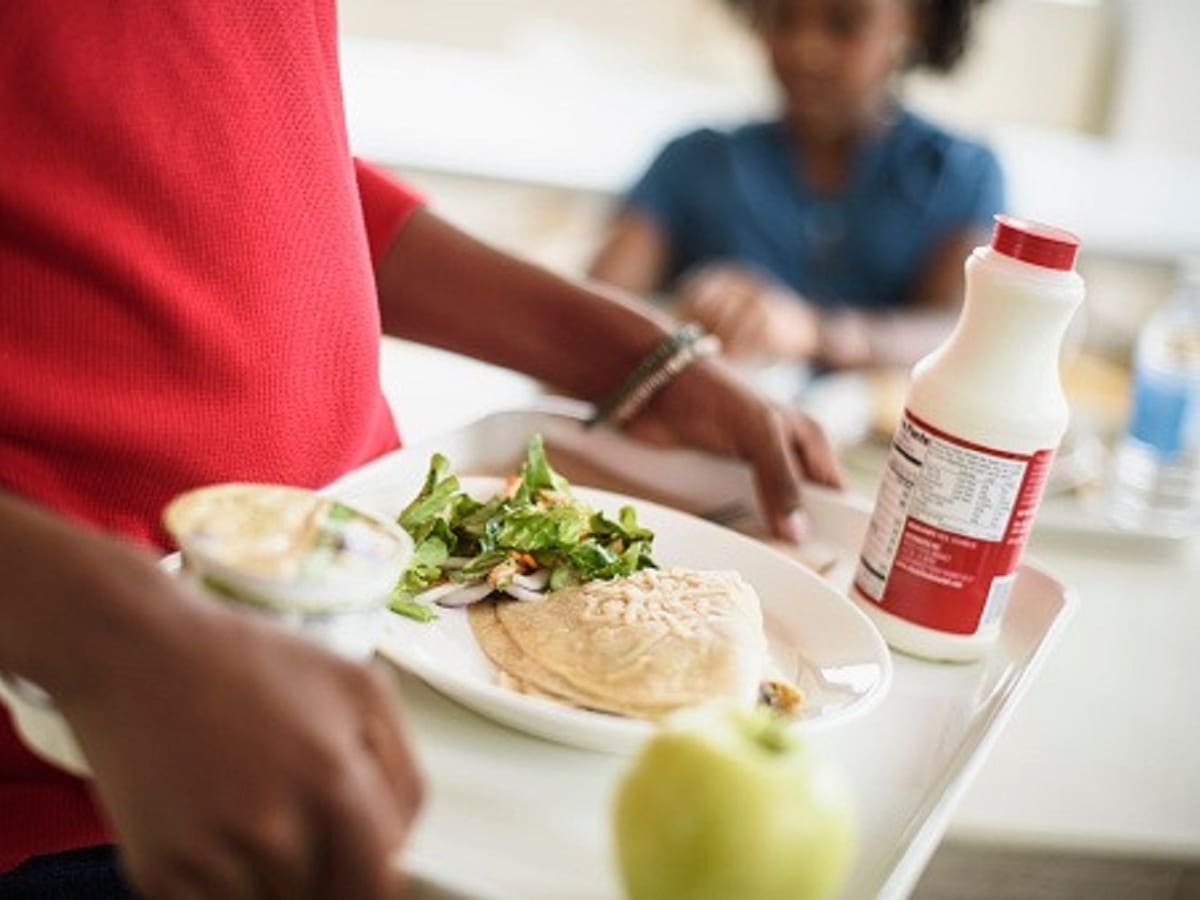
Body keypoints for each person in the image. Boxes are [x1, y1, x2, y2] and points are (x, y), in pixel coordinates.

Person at [0, 3, 840, 898]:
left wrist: (634, 357)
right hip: (94, 770)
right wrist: (112, 641)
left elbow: (262, 173)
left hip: (394, 660)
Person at [590, 0, 1005, 370]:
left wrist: (816, 333)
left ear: (918, 19)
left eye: (845, 23)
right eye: (782, 16)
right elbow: (593, 310)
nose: (806, 51)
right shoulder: (692, 161)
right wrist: (680, 311)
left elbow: (961, 335)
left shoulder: (961, 174)